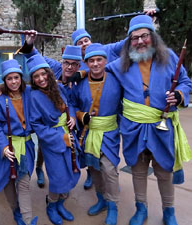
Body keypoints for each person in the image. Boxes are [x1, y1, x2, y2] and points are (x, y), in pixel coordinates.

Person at [106, 15, 192, 225]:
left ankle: (169, 212)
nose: (140, 41)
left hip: (162, 126)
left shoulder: (170, 57)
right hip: (133, 127)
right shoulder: (120, 64)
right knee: (138, 170)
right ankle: (141, 209)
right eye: (134, 38)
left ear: (153, 37)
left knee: (164, 170)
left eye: (144, 36)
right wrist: (79, 74)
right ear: (129, 42)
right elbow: (97, 65)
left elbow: (185, 82)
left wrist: (180, 95)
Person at [70, 43, 122, 225]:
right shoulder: (80, 84)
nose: (95, 64)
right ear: (86, 63)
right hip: (88, 132)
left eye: (99, 59)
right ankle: (101, 200)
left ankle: (113, 205)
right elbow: (72, 104)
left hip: (109, 133)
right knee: (94, 169)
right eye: (91, 60)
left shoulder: (116, 79)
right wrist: (80, 115)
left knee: (109, 170)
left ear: (105, 61)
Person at [28, 54, 81, 225]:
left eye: (43, 74)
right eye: (36, 76)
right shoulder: (33, 96)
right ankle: (51, 204)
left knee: (71, 171)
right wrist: (61, 137)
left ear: (49, 74)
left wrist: (72, 116)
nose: (41, 79)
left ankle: (61, 203)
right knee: (58, 177)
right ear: (32, 79)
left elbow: (70, 104)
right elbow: (37, 125)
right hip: (53, 141)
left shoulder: (59, 88)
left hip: (69, 135)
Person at [0, 59, 38, 225]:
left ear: (21, 78)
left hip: (26, 147)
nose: (14, 81)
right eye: (9, 79)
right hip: (7, 147)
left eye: (16, 77)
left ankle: (28, 220)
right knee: (8, 181)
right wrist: (2, 147)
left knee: (23, 183)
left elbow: (49, 83)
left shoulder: (29, 93)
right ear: (4, 81)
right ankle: (16, 210)